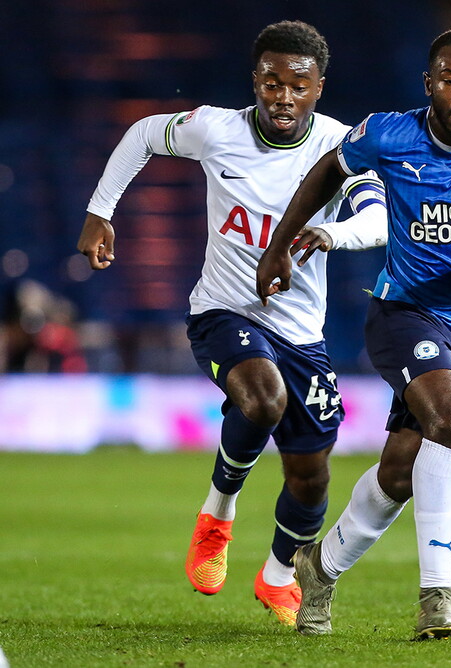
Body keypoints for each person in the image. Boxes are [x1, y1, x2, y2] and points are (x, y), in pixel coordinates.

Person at [256, 28, 451, 639]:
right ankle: (435, 597)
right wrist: (279, 245)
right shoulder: (390, 133)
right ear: (430, 85)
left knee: (401, 470)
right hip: (403, 314)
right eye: (450, 79)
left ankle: (318, 568)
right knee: (450, 421)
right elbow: (326, 171)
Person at [77, 20, 387, 626]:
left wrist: (329, 232)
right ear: (257, 82)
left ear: (319, 87)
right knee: (263, 398)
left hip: (302, 333)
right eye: (272, 83)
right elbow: (143, 133)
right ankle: (217, 515)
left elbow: (378, 220)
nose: (284, 97)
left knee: (311, 474)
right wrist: (100, 211)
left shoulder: (343, 145)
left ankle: (277, 578)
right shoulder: (216, 128)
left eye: (298, 85)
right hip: (224, 311)